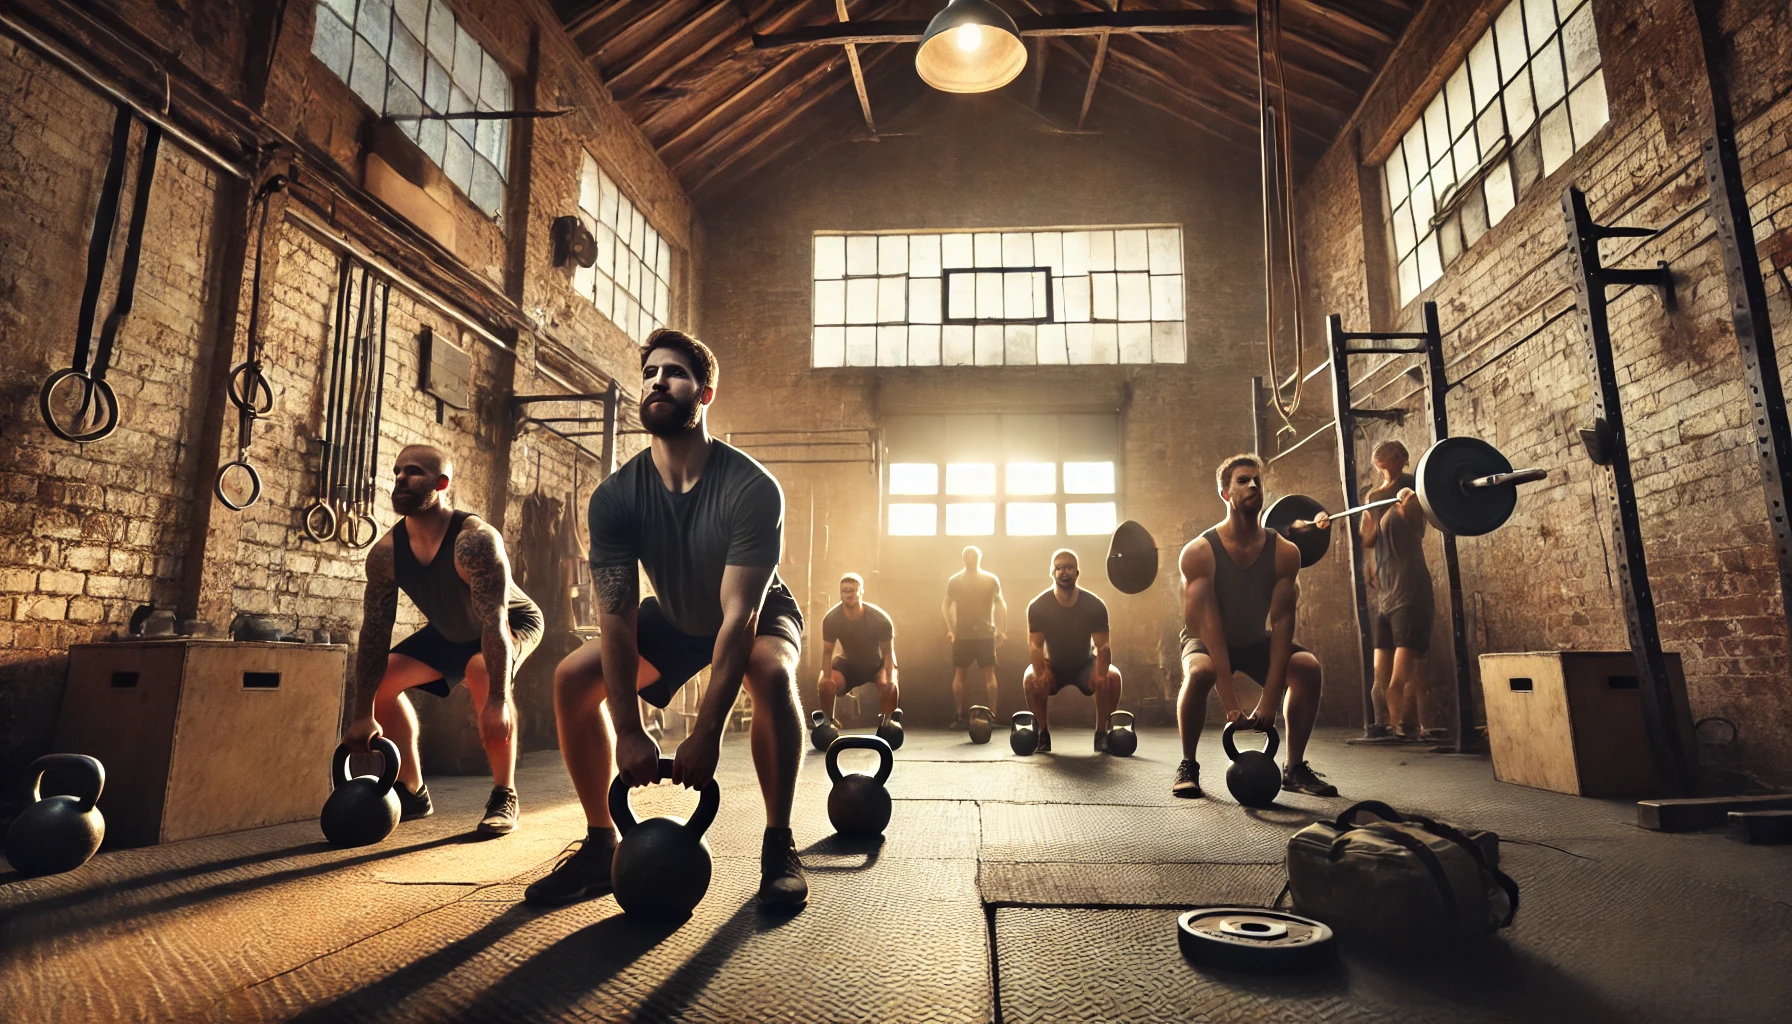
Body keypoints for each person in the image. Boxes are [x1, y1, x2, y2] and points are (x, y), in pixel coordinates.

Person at [528, 329, 809, 912]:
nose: (659, 380)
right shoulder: (615, 497)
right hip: (677, 615)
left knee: (771, 673)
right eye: (650, 372)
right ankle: (602, 844)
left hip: (752, 609)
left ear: (704, 393)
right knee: (573, 677)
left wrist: (705, 734)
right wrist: (629, 730)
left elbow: (739, 616)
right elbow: (617, 618)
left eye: (675, 372)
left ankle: (779, 843)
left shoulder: (752, 488)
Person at [344, 444, 543, 836]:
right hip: (450, 631)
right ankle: (414, 790)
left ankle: (505, 794)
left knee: (479, 667)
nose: (401, 479)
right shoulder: (385, 554)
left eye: (413, 472)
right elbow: (374, 634)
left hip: (510, 622)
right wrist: (362, 712)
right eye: (398, 472)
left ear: (442, 483)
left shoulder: (474, 541)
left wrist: (497, 701)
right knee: (380, 684)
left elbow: (495, 620)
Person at [1174, 454, 1337, 799]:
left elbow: (1281, 622)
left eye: (1256, 481)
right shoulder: (1199, 552)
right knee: (1201, 672)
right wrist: (1232, 703)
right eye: (1242, 480)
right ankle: (1188, 764)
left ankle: (1294, 768)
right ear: (1224, 493)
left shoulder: (1285, 552)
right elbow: (1209, 625)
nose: (1252, 486)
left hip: (1252, 640)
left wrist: (1269, 700)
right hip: (1205, 639)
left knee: (1307, 668)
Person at [1322, 439, 1441, 742]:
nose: (1381, 456)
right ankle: (1385, 726)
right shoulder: (1375, 496)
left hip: (1409, 589)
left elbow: (1421, 520)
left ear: (1401, 458)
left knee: (1409, 671)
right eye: (1380, 453)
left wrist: (1409, 500)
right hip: (1386, 593)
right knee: (1382, 674)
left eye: (1391, 452)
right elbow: (1368, 539)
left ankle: (1410, 728)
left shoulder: (1416, 487)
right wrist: (1342, 521)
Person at [1022, 550, 1121, 754]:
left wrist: (1100, 673)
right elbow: (1035, 646)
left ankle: (1101, 734)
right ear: (1052, 572)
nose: (1063, 572)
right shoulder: (1038, 606)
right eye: (1058, 568)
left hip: (1085, 665)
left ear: (1077, 572)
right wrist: (1041, 672)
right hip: (1053, 666)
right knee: (1030, 679)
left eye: (1068, 567)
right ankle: (1042, 733)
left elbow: (1102, 646)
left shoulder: (1095, 605)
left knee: (1112, 677)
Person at [815, 573, 899, 728]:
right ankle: (828, 722)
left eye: (852, 590)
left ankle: (888, 720)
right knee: (825, 683)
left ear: (861, 591)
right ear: (840, 594)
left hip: (877, 664)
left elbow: (888, 652)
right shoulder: (832, 618)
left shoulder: (879, 618)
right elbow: (827, 652)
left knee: (890, 684)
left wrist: (889, 681)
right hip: (849, 667)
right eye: (845, 591)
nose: (849, 594)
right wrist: (827, 682)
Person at [942, 546, 1007, 730]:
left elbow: (1001, 604)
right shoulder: (981, 579)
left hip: (977, 634)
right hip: (974, 634)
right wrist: (951, 629)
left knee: (971, 675)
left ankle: (964, 716)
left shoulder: (963, 580)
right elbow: (1001, 604)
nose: (970, 559)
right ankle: (963, 715)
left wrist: (1002, 630)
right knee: (976, 675)